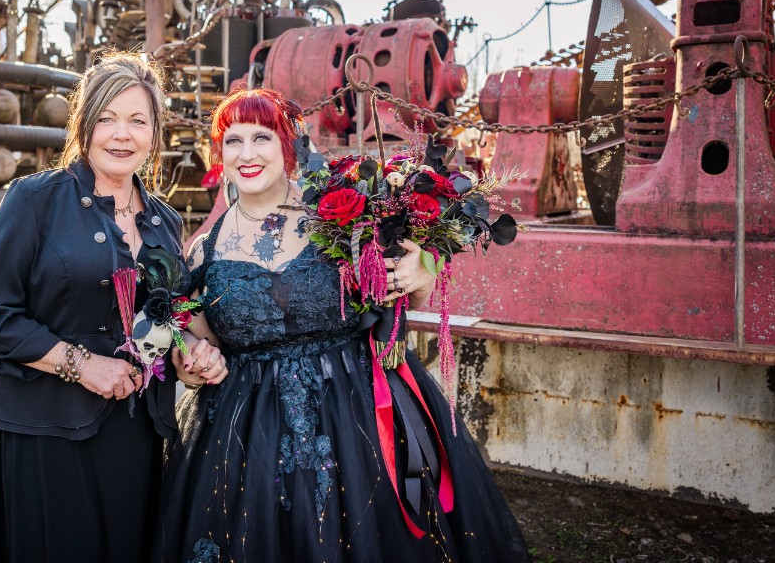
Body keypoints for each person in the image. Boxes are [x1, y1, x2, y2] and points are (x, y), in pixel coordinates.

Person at [156, 86, 531, 563]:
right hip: (248, 435)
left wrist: (425, 267)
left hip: (357, 413)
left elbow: (410, 286)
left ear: (287, 146)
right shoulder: (204, 250)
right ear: (219, 153)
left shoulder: (343, 213)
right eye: (233, 141)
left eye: (262, 138)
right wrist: (189, 355)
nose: (247, 154)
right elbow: (196, 346)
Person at [0, 51, 227, 563]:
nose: (121, 134)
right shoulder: (34, 201)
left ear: (155, 133)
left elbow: (166, 316)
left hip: (138, 433)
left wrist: (190, 350)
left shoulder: (165, 223)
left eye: (136, 120)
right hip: (48, 431)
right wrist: (84, 366)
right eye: (106, 118)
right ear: (84, 126)